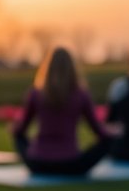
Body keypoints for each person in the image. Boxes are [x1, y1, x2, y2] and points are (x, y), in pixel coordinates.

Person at [10, 46, 116, 176]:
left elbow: (21, 130)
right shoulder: (81, 95)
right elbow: (99, 131)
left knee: (18, 136)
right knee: (109, 141)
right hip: (70, 164)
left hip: (38, 163)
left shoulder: (35, 94)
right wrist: (112, 132)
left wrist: (15, 129)